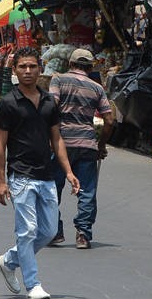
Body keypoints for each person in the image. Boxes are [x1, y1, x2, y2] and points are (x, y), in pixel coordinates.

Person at [0, 46, 80, 299]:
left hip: (46, 176)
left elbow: (57, 139)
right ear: (14, 70)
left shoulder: (49, 102)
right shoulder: (8, 103)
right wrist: (0, 181)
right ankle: (33, 284)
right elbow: (0, 144)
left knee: (49, 231)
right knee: (27, 231)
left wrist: (69, 171)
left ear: (40, 68)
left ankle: (9, 260)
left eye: (32, 66)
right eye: (22, 67)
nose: (28, 71)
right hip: (20, 176)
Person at [48, 48, 114, 250]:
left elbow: (51, 107)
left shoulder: (58, 80)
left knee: (53, 189)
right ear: (90, 67)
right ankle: (83, 234)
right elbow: (109, 120)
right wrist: (101, 144)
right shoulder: (97, 88)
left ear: (70, 64)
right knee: (86, 191)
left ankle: (55, 232)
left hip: (62, 143)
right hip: (87, 144)